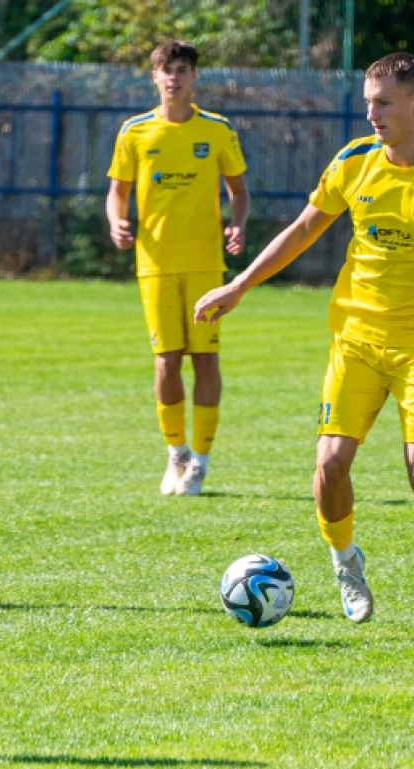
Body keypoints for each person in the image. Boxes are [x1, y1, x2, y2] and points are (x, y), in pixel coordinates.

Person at [195, 51, 414, 624]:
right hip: (357, 340)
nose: (371, 113)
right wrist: (239, 285)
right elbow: (301, 232)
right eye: (367, 101)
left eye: (383, 102)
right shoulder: (354, 162)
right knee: (330, 464)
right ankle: (346, 563)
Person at [106, 40, 249, 497]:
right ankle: (176, 455)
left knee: (206, 358)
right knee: (166, 361)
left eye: (182, 70)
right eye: (166, 70)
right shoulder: (135, 131)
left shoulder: (218, 130)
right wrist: (117, 222)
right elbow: (117, 191)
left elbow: (238, 190)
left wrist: (237, 224)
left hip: (205, 264)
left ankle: (200, 462)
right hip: (155, 264)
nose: (174, 78)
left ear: (194, 76)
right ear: (154, 77)